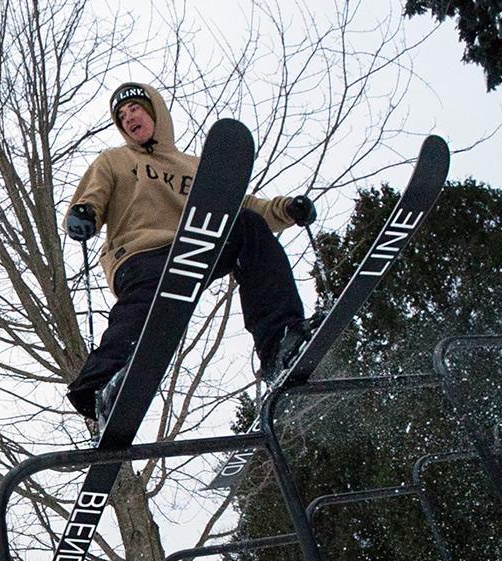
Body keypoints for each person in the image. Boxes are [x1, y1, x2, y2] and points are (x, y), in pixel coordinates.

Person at [63, 82, 318, 424]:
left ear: (154, 112)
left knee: (247, 226)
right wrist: (85, 215)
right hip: (140, 256)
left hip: (193, 247)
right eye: (121, 117)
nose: (128, 119)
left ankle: (279, 345)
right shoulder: (115, 160)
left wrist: (286, 210)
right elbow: (91, 197)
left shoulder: (197, 167)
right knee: (141, 311)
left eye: (135, 109)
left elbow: (244, 206)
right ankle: (99, 388)